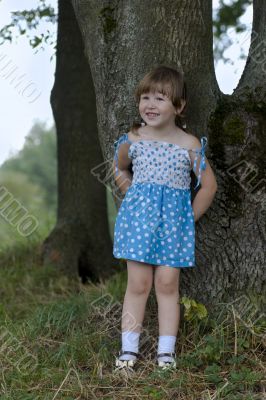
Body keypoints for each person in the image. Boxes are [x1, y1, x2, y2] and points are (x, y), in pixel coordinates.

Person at [112, 65, 217, 372]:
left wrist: (188, 219)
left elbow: (209, 186)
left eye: (160, 98)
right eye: (145, 97)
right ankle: (128, 352)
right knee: (139, 284)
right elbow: (119, 167)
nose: (150, 104)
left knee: (168, 284)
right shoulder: (134, 139)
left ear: (179, 106)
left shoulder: (190, 144)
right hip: (138, 225)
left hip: (174, 228)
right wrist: (131, 194)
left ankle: (166, 354)